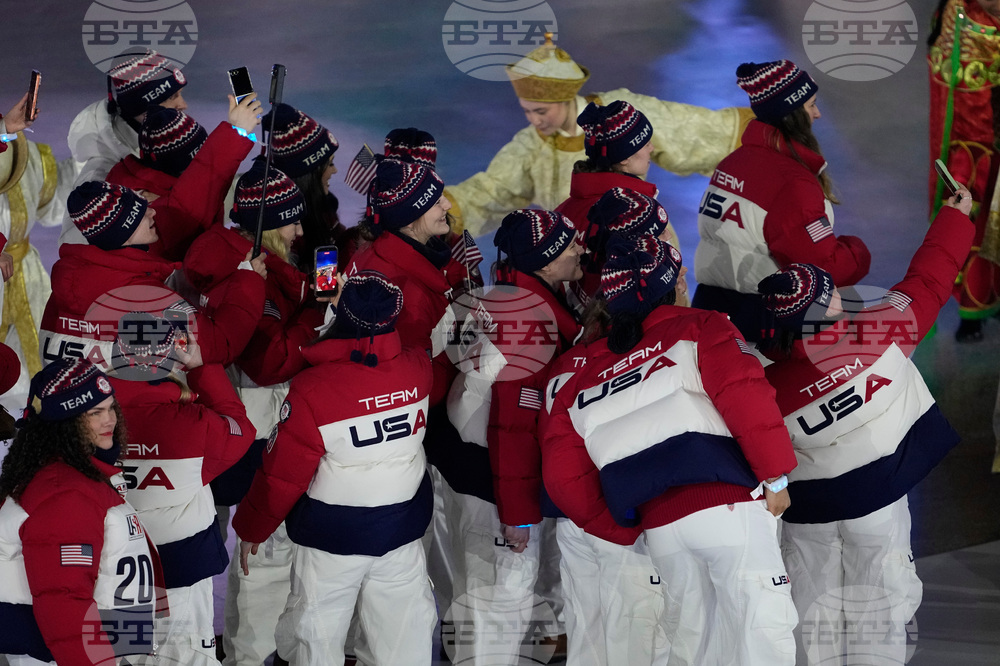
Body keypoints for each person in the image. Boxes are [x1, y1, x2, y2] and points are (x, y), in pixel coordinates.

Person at [541, 235, 799, 665]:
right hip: (729, 512)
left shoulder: (580, 374)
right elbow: (748, 399)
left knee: (689, 647)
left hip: (661, 531)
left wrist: (627, 530)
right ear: (674, 283)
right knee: (762, 634)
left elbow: (563, 477)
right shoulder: (701, 326)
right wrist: (776, 477)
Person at [754, 188, 974, 664]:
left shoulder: (759, 383)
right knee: (882, 603)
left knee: (811, 609)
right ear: (826, 310)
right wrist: (954, 218)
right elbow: (930, 278)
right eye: (829, 291)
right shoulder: (883, 329)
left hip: (806, 512)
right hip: (877, 501)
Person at [233, 272, 438, 665]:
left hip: (332, 539)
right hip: (401, 532)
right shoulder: (418, 368)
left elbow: (283, 473)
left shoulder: (313, 389)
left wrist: (251, 528)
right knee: (404, 635)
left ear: (340, 316)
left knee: (317, 635)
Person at [183, 157, 325, 666]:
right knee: (261, 553)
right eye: (292, 221)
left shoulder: (225, 259)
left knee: (215, 544)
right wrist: (319, 319)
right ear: (266, 228)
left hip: (218, 428)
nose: (301, 231)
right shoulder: (249, 277)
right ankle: (249, 656)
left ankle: (213, 648)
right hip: (251, 429)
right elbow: (270, 362)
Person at [433, 209, 584, 662]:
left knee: (473, 601)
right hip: (495, 482)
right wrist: (517, 513)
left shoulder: (495, 295)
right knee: (499, 602)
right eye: (569, 244)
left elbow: (443, 369)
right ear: (544, 260)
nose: (581, 249)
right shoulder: (533, 325)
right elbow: (514, 425)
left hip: (462, 462)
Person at [443, 33, 754, 237]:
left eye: (541, 111)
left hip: (638, 240)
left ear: (565, 98)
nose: (533, 120)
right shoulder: (529, 147)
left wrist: (760, 133)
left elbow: (690, 131)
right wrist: (439, 210)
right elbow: (492, 192)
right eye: (527, 111)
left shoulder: (619, 113)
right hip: (570, 255)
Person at [109, 314, 256, 666]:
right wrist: (202, 367)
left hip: (113, 574)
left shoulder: (85, 422)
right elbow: (241, 429)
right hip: (181, 575)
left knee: (126, 658)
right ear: (170, 360)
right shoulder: (196, 425)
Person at [0, 358, 167, 665]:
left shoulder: (75, 474)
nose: (110, 420)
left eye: (111, 407)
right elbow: (64, 603)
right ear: (66, 424)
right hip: (65, 656)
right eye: (95, 412)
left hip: (89, 648)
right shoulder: (63, 494)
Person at [692, 59, 871, 343]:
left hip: (709, 312)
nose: (818, 114)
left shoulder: (731, 163)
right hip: (762, 323)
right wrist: (858, 253)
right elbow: (824, 268)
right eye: (811, 105)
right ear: (792, 113)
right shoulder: (792, 183)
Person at [39, 180, 265, 372]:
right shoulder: (144, 295)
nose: (152, 211)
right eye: (139, 213)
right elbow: (216, 345)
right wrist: (248, 280)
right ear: (123, 233)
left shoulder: (65, 287)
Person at [553, 100, 685, 302]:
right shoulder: (635, 216)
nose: (652, 148)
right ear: (624, 158)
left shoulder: (565, 209)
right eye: (645, 143)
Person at [61, 47, 190, 246]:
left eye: (180, 94)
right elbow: (75, 246)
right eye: (172, 98)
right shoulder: (101, 177)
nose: (183, 105)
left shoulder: (171, 142)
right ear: (145, 107)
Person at [0, 93, 80, 414]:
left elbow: (52, 208)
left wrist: (91, 159)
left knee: (36, 374)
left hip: (23, 271)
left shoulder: (25, 152)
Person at [106, 96, 261, 260]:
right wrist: (236, 131)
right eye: (200, 157)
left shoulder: (133, 184)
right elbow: (203, 185)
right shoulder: (153, 212)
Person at [928, 0, 1000, 341]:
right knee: (978, 216)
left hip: (976, 143)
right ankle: (974, 308)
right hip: (977, 149)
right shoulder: (969, 21)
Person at [259, 103, 351, 274]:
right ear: (308, 175)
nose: (335, 170)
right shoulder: (284, 233)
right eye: (329, 164)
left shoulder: (322, 208)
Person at [584, 186, 688, 305]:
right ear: (637, 242)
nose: (669, 236)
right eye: (661, 232)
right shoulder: (629, 288)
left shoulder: (599, 266)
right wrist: (675, 294)